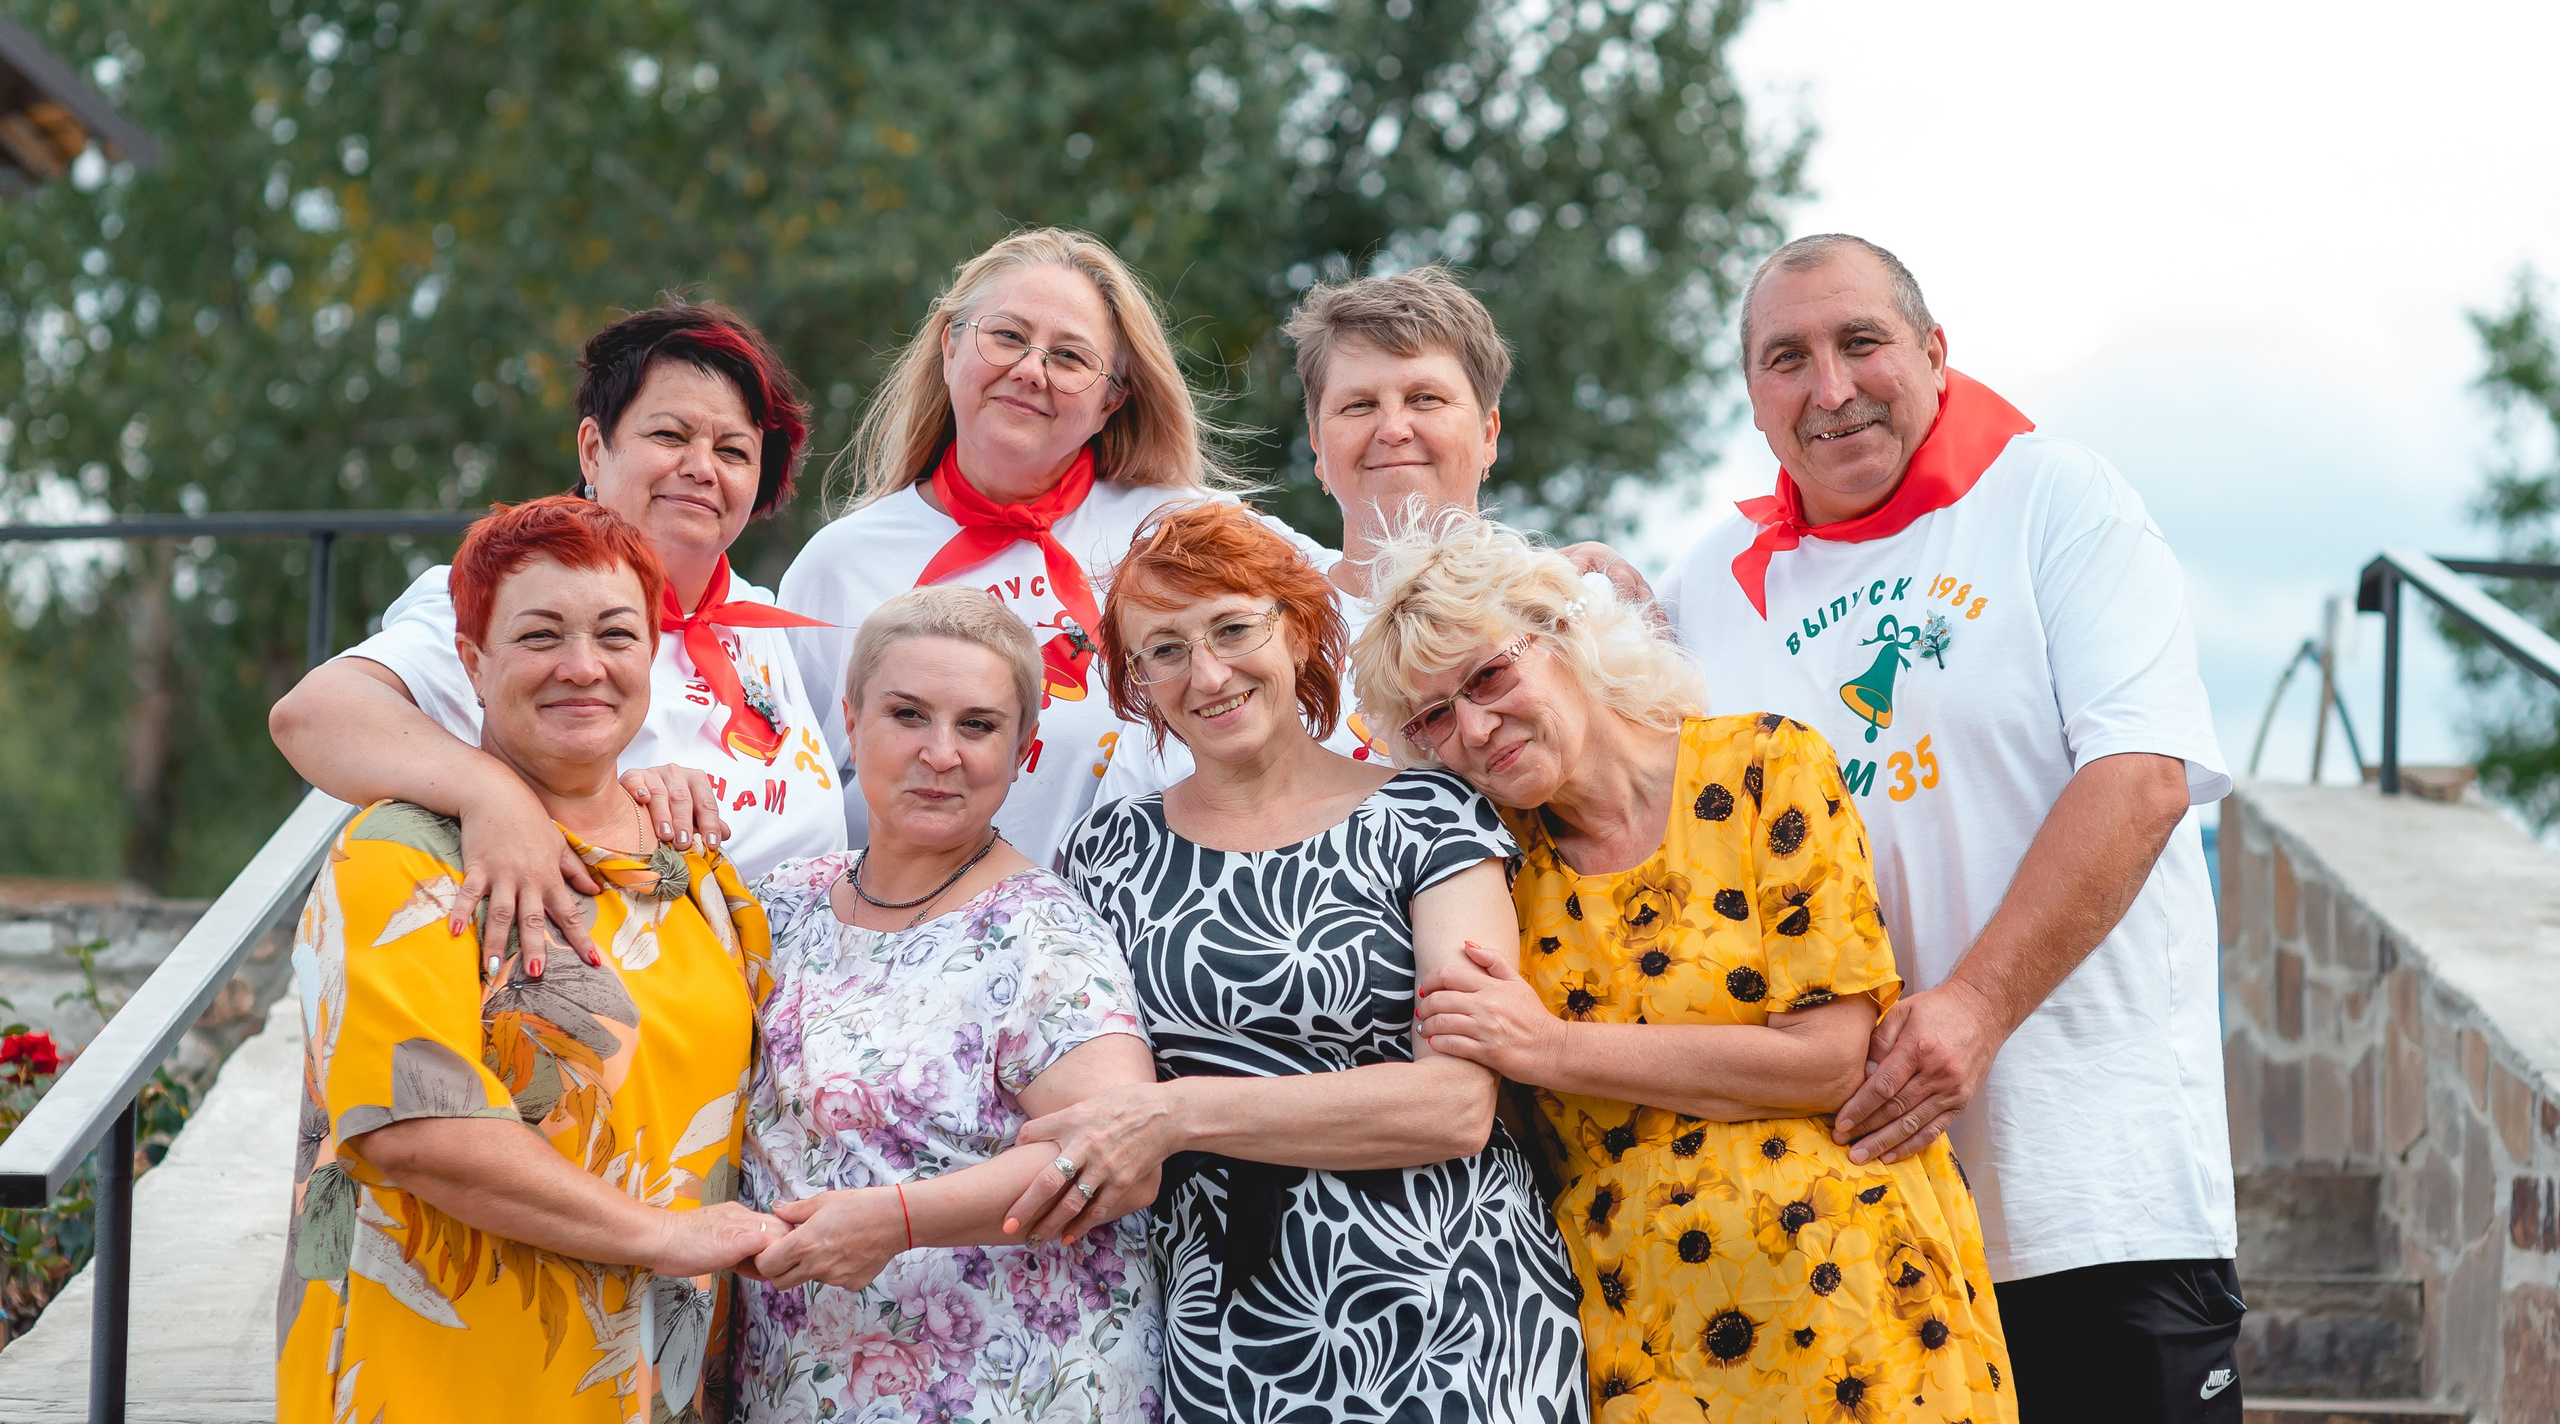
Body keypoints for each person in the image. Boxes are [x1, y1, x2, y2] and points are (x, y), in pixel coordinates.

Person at [1655, 233, 2237, 1424]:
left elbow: (2142, 776)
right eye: (1785, 359)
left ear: (1932, 348)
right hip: (1850, 1224)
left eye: (1861, 343)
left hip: (2093, 1197)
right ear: (1750, 389)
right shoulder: (1712, 583)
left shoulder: (2056, 498)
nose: (1831, 388)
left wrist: (1971, 1004)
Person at [1355, 512, 2067, 1424]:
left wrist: (1555, 1045)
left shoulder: (1764, 765)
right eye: (1432, 716)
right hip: (1645, 1359)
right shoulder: (1483, 869)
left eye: (1487, 675)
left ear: (1557, 635)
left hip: (1863, 1327)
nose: (1474, 727)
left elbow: (1828, 1054)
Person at [1022, 502, 1623, 1424]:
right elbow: (1092, 1107)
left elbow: (1453, 1103)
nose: (1207, 671)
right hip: (1237, 1352)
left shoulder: (1428, 817)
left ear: (1298, 630)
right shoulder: (1105, 858)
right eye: (1164, 651)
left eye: (1231, 628)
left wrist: (1183, 1115)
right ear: (1132, 685)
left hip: (1449, 1327)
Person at [245, 496, 779, 1424]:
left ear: (659, 657)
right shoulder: (402, 850)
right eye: (538, 635)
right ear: (472, 660)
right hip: (450, 1412)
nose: (582, 665)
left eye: (616, 633)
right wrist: (667, 1239)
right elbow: (419, 1128)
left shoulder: (691, 868)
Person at [722, 588, 1183, 1424]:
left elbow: (1115, 1152)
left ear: (1023, 750)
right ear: (850, 720)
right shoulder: (775, 907)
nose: (940, 753)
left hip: (1010, 1423)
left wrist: (898, 1220)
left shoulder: (1041, 931)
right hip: (808, 1417)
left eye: (977, 726)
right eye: (907, 715)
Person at [269, 299, 836, 973]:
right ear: (594, 448)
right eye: (670, 435)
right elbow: (313, 716)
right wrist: (492, 793)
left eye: (734, 450)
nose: (702, 467)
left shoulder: (764, 621)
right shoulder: (514, 596)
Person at [778, 227, 1330, 865]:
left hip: (1163, 940)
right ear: (949, 344)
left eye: (1069, 358)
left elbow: (1367, 596)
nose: (1030, 371)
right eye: (1007, 336)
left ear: (1111, 400)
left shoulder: (1183, 526)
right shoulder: (840, 564)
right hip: (923, 949)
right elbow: (793, 797)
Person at [1098, 263, 1651, 794]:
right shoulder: (1233, 636)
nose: (1392, 429)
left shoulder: (1581, 612)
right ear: (1317, 448)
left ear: (1489, 432)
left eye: (1425, 398)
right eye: (1359, 405)